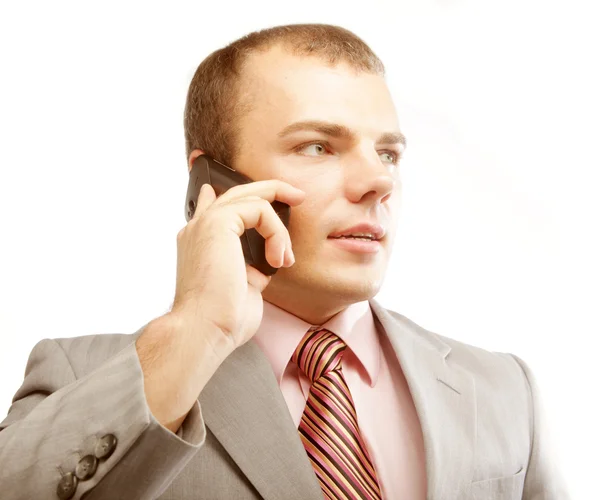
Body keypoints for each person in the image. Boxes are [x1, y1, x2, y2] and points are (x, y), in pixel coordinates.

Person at [0, 23, 569, 500]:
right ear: (211, 182)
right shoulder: (81, 374)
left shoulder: (503, 390)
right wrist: (196, 331)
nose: (378, 181)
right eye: (318, 146)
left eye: (388, 152)